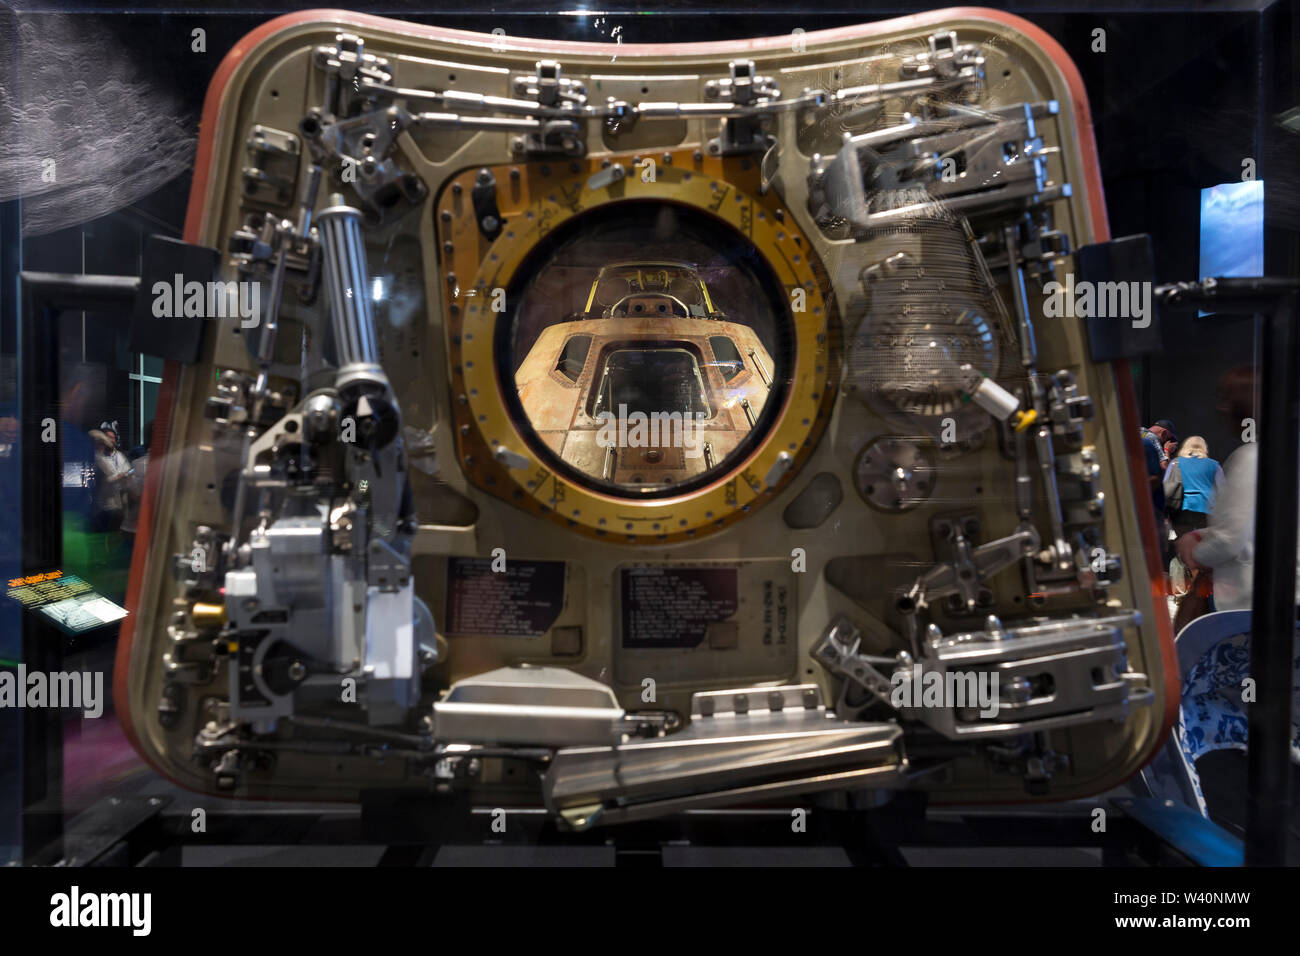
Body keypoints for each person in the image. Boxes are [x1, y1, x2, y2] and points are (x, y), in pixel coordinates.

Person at [1175, 366, 1297, 611]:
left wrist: (1195, 552)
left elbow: (1231, 538)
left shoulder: (1251, 458)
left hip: (1256, 602)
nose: (1222, 408)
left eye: (1228, 399)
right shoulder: (1284, 453)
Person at [1164, 436, 1225, 538]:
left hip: (1182, 508)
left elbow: (1166, 485)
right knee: (1202, 542)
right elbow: (1223, 490)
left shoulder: (1175, 463)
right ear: (1204, 448)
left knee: (1182, 541)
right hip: (1206, 509)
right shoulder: (1214, 465)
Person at [89, 422, 131, 534]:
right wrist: (119, 476)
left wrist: (125, 476)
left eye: (113, 438)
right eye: (108, 438)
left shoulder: (120, 456)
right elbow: (104, 479)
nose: (111, 440)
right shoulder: (96, 458)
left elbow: (127, 472)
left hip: (118, 506)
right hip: (102, 507)